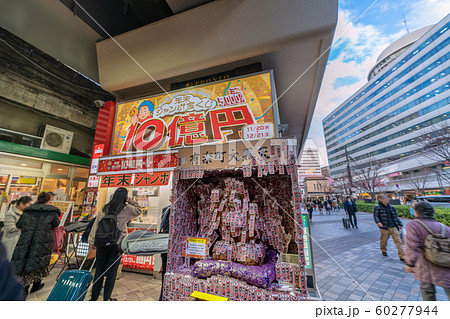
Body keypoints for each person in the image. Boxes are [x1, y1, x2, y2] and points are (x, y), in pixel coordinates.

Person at [88, 188, 141, 301]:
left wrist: (92, 241)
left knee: (99, 272)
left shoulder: (105, 207)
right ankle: (106, 298)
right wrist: (131, 201)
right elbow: (138, 210)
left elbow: (96, 224)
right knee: (111, 274)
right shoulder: (126, 208)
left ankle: (93, 298)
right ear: (125, 197)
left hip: (102, 243)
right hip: (116, 245)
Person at [11, 192, 61, 298]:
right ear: (48, 201)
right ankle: (26, 289)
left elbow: (19, 224)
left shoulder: (27, 211)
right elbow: (56, 224)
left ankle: (32, 286)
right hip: (42, 241)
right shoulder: (52, 213)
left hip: (26, 240)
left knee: (26, 262)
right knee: (38, 262)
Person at [404, 201, 450, 301]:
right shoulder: (444, 227)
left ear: (416, 212)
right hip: (445, 265)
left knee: (427, 292)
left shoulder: (413, 225)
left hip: (425, 267)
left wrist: (409, 264)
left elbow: (412, 246)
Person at [373, 195, 404, 261]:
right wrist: (378, 222)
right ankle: (383, 250)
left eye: (387, 199)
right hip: (384, 227)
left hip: (394, 226)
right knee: (384, 240)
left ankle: (402, 256)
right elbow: (376, 215)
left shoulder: (392, 207)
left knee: (398, 241)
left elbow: (396, 217)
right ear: (382, 200)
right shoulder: (378, 207)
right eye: (385, 199)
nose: (387, 200)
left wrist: (400, 224)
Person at [1, 196, 33, 260]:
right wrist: (24, 227)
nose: (29, 206)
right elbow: (9, 228)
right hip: (10, 242)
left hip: (18, 243)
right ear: (21, 204)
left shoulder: (24, 214)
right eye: (28, 204)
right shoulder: (11, 214)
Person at [159, 204, 171, 301]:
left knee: (165, 273)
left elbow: (162, 227)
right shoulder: (167, 209)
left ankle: (163, 297)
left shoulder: (166, 209)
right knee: (167, 273)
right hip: (170, 245)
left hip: (165, 244)